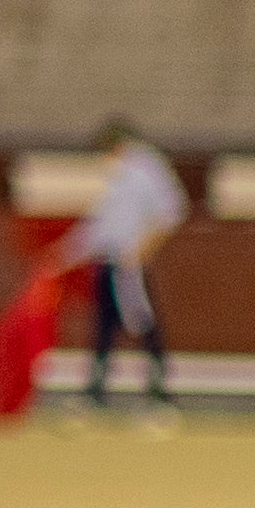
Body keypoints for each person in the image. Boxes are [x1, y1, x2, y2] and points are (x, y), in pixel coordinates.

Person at [69, 116, 188, 422]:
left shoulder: (146, 168)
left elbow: (171, 211)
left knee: (144, 325)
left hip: (129, 264)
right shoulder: (122, 175)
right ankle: (96, 394)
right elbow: (104, 224)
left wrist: (142, 250)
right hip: (109, 261)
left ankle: (160, 396)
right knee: (104, 328)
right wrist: (69, 252)